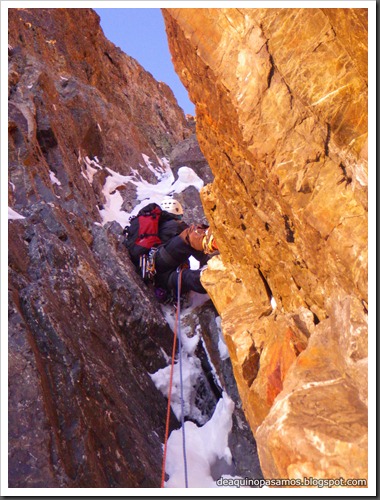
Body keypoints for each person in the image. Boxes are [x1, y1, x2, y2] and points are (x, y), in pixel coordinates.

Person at [153, 197, 218, 297]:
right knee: (190, 233)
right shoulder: (175, 225)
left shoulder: (158, 226)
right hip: (162, 262)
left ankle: (218, 280)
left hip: (161, 279)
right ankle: (215, 243)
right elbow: (192, 245)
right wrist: (209, 260)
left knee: (189, 278)